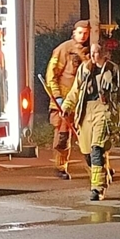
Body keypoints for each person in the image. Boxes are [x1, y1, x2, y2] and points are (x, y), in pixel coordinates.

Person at [62, 42, 120, 201]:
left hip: (104, 111)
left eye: (96, 52)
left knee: (97, 149)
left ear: (105, 53)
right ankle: (104, 173)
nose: (93, 56)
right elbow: (75, 90)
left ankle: (97, 188)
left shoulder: (114, 71)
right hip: (85, 112)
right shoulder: (84, 69)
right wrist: (67, 107)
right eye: (91, 52)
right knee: (87, 153)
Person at [45, 20, 90, 179]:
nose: (83, 36)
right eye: (80, 32)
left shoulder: (90, 51)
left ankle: (96, 167)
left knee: (90, 136)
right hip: (64, 100)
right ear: (74, 32)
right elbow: (51, 75)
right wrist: (57, 97)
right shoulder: (63, 49)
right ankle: (60, 167)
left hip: (83, 101)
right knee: (63, 137)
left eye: (85, 33)